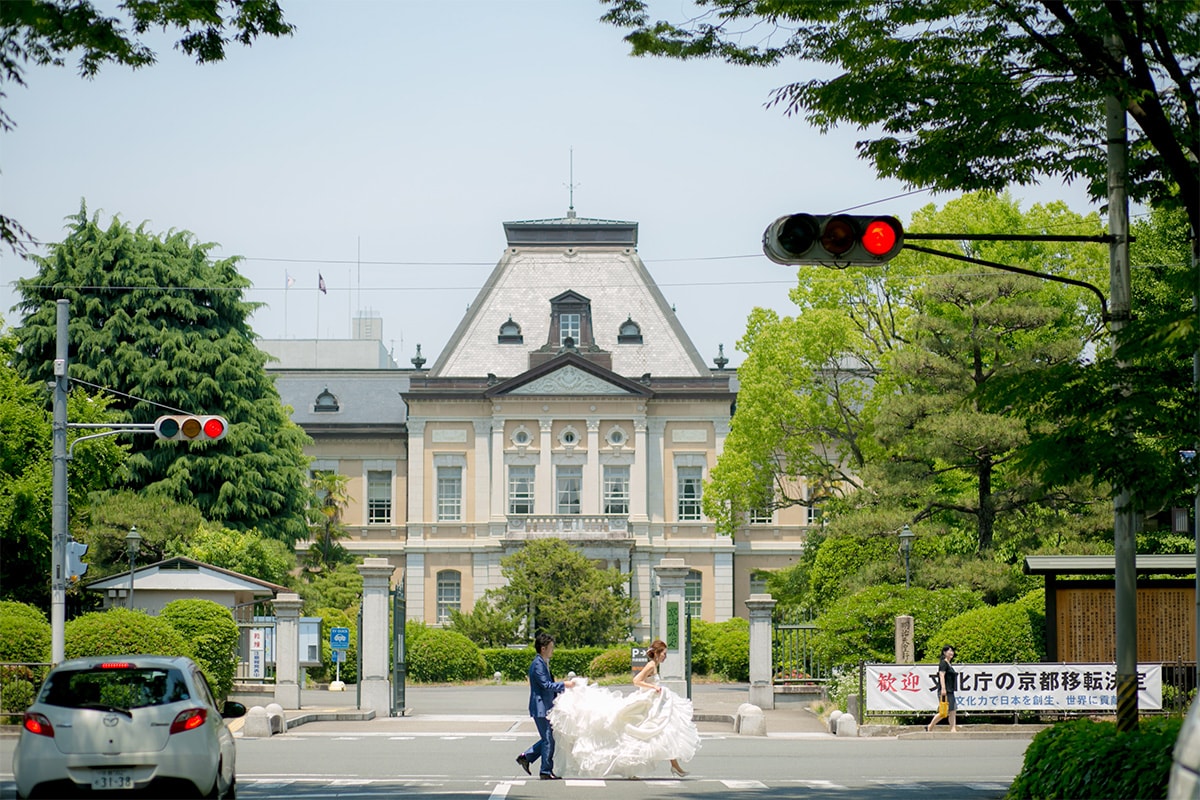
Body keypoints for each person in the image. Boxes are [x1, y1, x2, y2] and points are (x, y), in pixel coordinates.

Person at [549, 639, 700, 779]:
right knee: (643, 733)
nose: (665, 657)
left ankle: (674, 765)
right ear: (657, 653)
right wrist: (653, 687)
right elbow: (636, 681)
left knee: (664, 730)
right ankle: (666, 766)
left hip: (652, 702)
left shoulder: (654, 665)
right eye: (664, 654)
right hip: (646, 702)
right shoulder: (651, 665)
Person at [516, 633, 572, 780]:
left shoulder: (543, 662)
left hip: (545, 706)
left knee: (550, 737)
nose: (552, 650)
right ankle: (545, 771)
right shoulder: (538, 665)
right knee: (548, 738)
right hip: (540, 706)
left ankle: (526, 757)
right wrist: (564, 685)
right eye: (551, 648)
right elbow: (545, 685)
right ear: (543, 648)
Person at [926, 644, 958, 732]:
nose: (951, 653)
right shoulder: (943, 663)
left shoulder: (949, 664)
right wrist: (943, 688)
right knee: (944, 711)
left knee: (953, 710)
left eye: (952, 651)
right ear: (944, 652)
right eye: (949, 651)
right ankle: (930, 726)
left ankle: (953, 728)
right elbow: (941, 675)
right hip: (945, 690)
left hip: (950, 690)